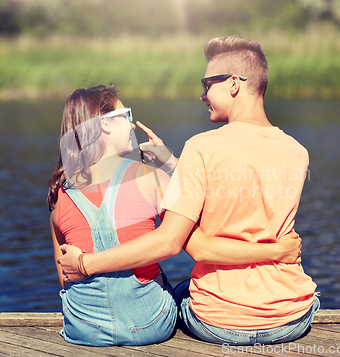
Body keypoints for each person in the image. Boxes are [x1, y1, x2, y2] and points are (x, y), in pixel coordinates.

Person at [57, 35, 318, 346]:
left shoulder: (201, 147)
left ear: (233, 84)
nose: (202, 94)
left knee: (179, 291)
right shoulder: (298, 152)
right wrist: (172, 164)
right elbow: (238, 183)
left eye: (207, 84)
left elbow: (192, 246)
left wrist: (86, 263)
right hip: (291, 319)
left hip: (220, 322)